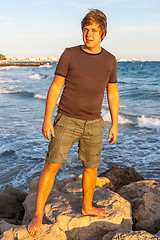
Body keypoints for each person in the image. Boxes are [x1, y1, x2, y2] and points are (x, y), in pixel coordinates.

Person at [28, 9, 119, 236]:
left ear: (103, 33)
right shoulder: (69, 54)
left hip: (94, 123)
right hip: (66, 119)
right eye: (86, 29)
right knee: (52, 164)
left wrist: (114, 123)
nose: (88, 34)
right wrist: (47, 119)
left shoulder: (110, 60)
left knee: (91, 167)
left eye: (94, 30)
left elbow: (113, 92)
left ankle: (87, 206)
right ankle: (37, 214)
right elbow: (56, 87)